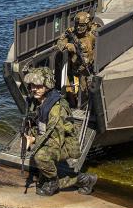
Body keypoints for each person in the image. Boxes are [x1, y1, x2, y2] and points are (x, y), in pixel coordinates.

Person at [22, 67, 97, 196]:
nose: (34, 89)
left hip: (63, 143)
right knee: (40, 164)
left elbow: (56, 139)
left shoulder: (57, 107)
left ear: (48, 85)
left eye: (39, 86)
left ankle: (59, 182)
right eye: (32, 85)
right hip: (50, 138)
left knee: (41, 156)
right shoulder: (39, 100)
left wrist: (33, 140)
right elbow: (39, 124)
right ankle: (77, 180)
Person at [55, 11, 97, 107]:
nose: (79, 28)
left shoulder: (92, 32)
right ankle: (75, 103)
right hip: (75, 66)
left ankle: (84, 104)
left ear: (88, 24)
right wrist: (68, 45)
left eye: (82, 25)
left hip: (87, 67)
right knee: (73, 88)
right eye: (77, 25)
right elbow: (60, 42)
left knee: (85, 90)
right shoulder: (71, 31)